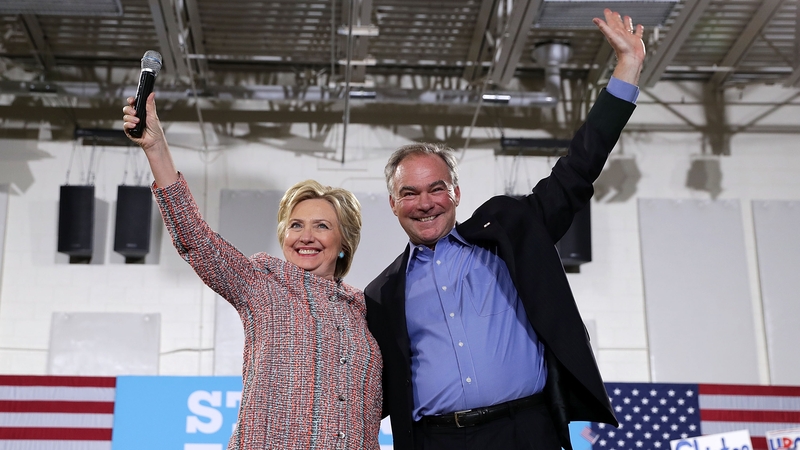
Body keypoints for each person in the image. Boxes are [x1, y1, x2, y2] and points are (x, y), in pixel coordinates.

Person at [364, 8, 645, 450]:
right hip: (437, 441)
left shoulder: (509, 232)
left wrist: (627, 67)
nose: (425, 203)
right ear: (393, 204)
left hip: (526, 432)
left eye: (436, 189)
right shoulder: (381, 294)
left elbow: (577, 169)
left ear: (456, 193)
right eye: (410, 193)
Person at [121, 94, 382, 449]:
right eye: (295, 225)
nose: (306, 236)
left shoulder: (366, 312)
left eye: (321, 226)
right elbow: (196, 239)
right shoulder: (262, 284)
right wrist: (156, 148)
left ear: (344, 242)